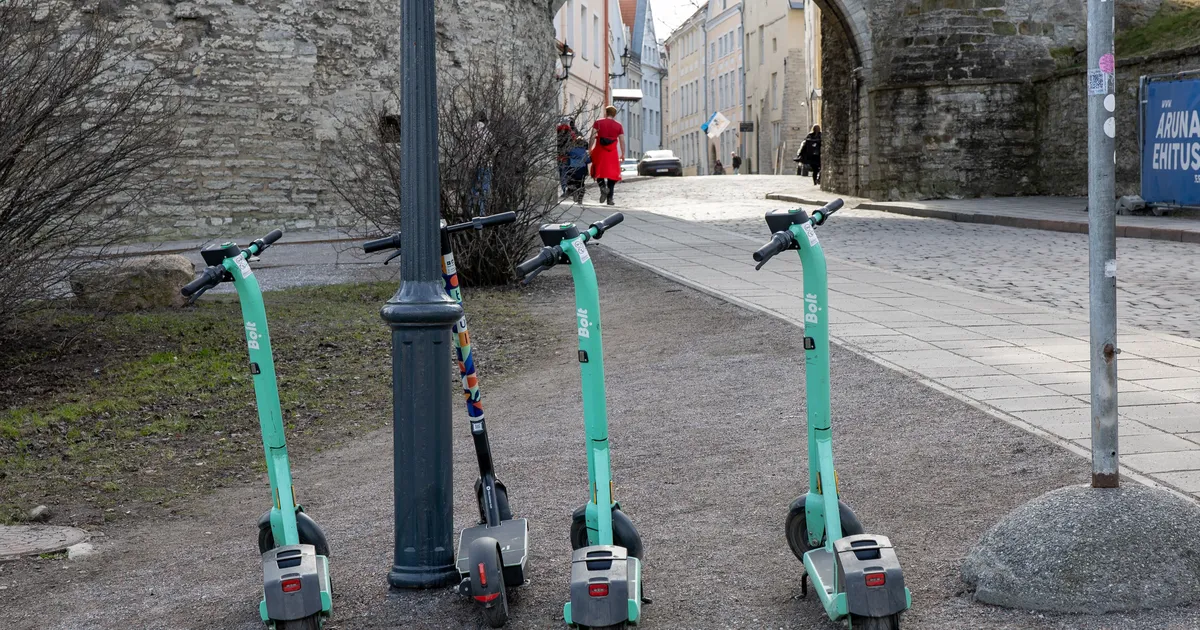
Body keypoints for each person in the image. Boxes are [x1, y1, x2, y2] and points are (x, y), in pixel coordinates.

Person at [589, 105, 625, 206]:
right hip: (612, 153)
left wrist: (589, 148)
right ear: (614, 114)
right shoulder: (618, 126)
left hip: (600, 151)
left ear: (606, 112)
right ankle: (610, 199)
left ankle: (603, 188)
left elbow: (592, 136)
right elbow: (622, 141)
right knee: (612, 175)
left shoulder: (598, 123)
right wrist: (623, 153)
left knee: (598, 171)